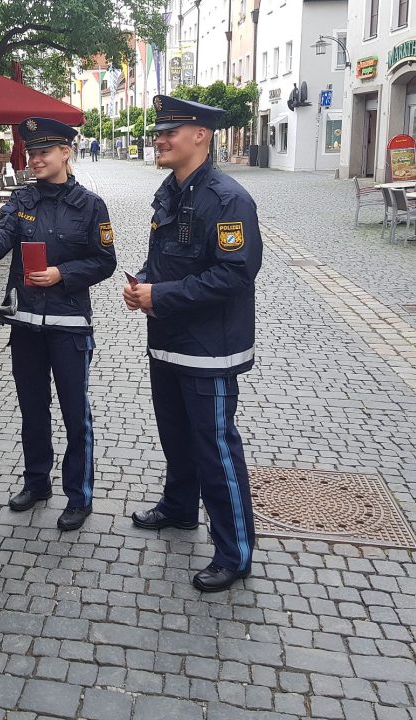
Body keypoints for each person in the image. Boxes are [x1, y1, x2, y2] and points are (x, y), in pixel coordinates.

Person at [123, 95, 262, 595]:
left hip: (209, 347)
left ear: (201, 135)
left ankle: (235, 551)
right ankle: (180, 508)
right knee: (176, 436)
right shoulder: (171, 191)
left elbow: (234, 273)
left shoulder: (228, 200)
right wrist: (142, 281)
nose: (158, 139)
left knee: (215, 448)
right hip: (167, 339)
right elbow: (161, 257)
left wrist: (160, 295)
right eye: (157, 132)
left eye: (169, 132)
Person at [0, 117, 117, 531]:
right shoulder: (21, 199)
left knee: (76, 414)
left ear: (65, 153)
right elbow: (4, 234)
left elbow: (105, 261)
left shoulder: (92, 205)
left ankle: (79, 495)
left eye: (44, 151)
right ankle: (37, 482)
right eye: (31, 152)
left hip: (70, 324)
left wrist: (62, 274)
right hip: (26, 324)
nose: (35, 159)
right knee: (32, 410)